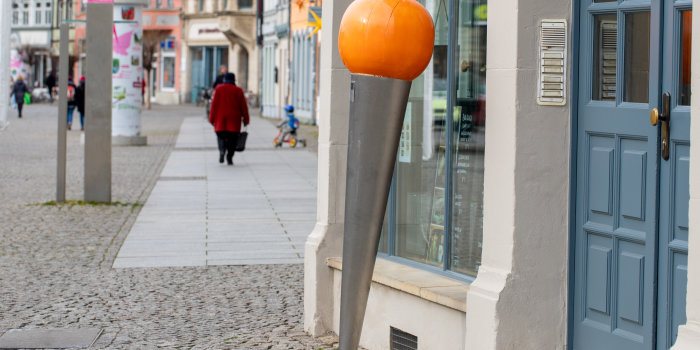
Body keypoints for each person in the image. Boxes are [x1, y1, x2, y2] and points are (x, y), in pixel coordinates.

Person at [209, 72, 249, 165]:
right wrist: (246, 119)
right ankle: (229, 157)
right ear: (234, 80)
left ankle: (222, 150)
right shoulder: (238, 90)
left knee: (221, 137)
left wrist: (211, 119)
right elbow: (243, 107)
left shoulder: (218, 89)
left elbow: (213, 105)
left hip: (220, 119)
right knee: (232, 140)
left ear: (224, 80)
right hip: (234, 120)